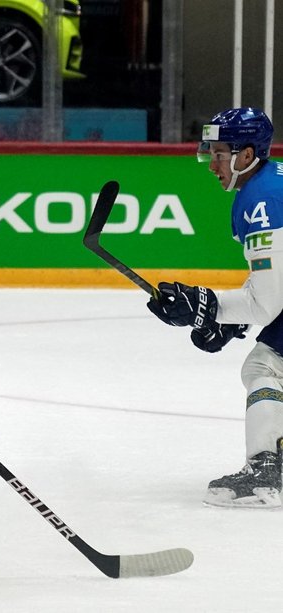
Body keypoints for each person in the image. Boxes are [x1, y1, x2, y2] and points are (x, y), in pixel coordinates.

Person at [146, 107, 283, 509]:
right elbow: (276, 278)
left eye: (220, 154)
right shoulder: (272, 181)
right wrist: (228, 321)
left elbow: (266, 303)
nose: (212, 165)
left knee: (264, 367)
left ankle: (266, 473)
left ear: (245, 155)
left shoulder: (260, 200)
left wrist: (207, 307)